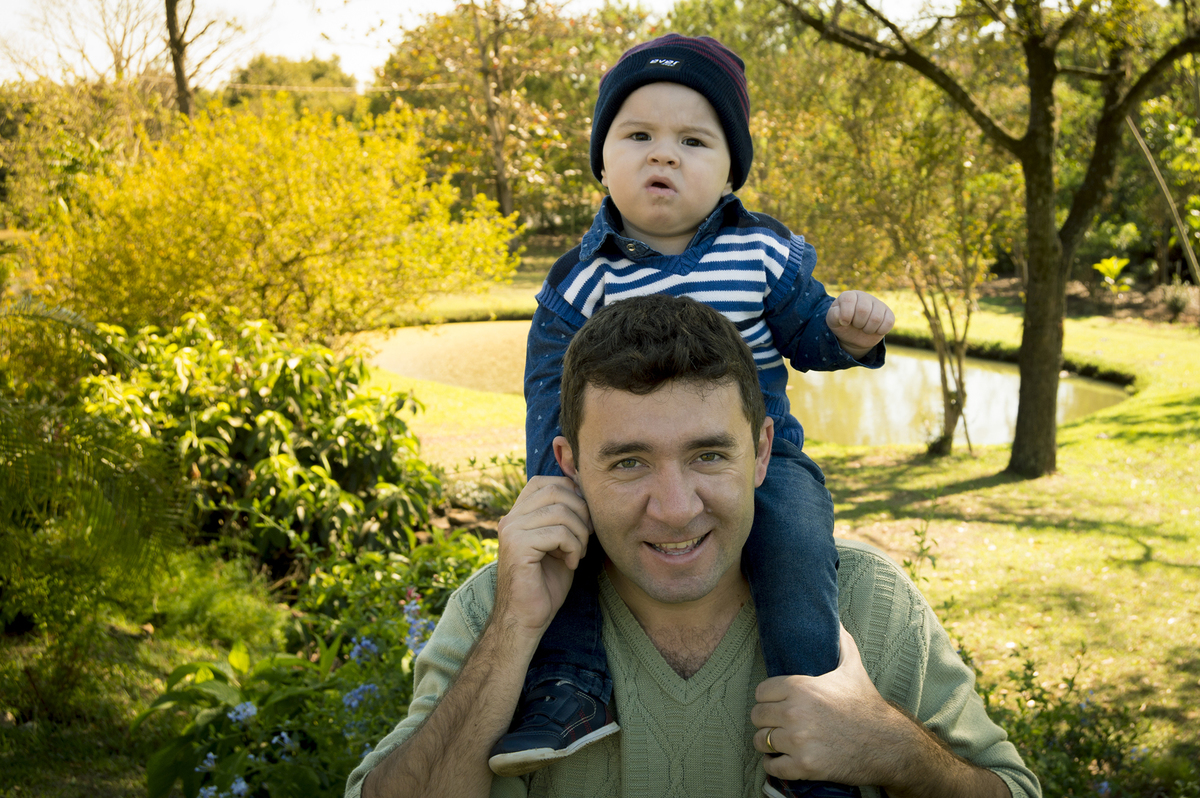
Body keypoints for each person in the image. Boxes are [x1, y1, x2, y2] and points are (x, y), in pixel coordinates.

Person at [345, 294, 1041, 798]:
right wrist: (513, 630)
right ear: (568, 464)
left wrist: (894, 752)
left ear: (763, 452)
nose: (675, 509)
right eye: (628, 463)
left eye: (708, 456)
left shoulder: (869, 602)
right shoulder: (501, 606)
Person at [508, 32, 895, 798]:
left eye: (693, 140)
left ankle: (814, 715)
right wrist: (550, 481)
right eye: (639, 136)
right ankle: (571, 689)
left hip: (760, 457)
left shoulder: (759, 255)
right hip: (621, 460)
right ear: (603, 157)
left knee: (794, 544)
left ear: (728, 169)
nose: (664, 156)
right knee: (573, 543)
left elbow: (806, 333)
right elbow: (549, 390)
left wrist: (844, 336)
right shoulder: (586, 278)